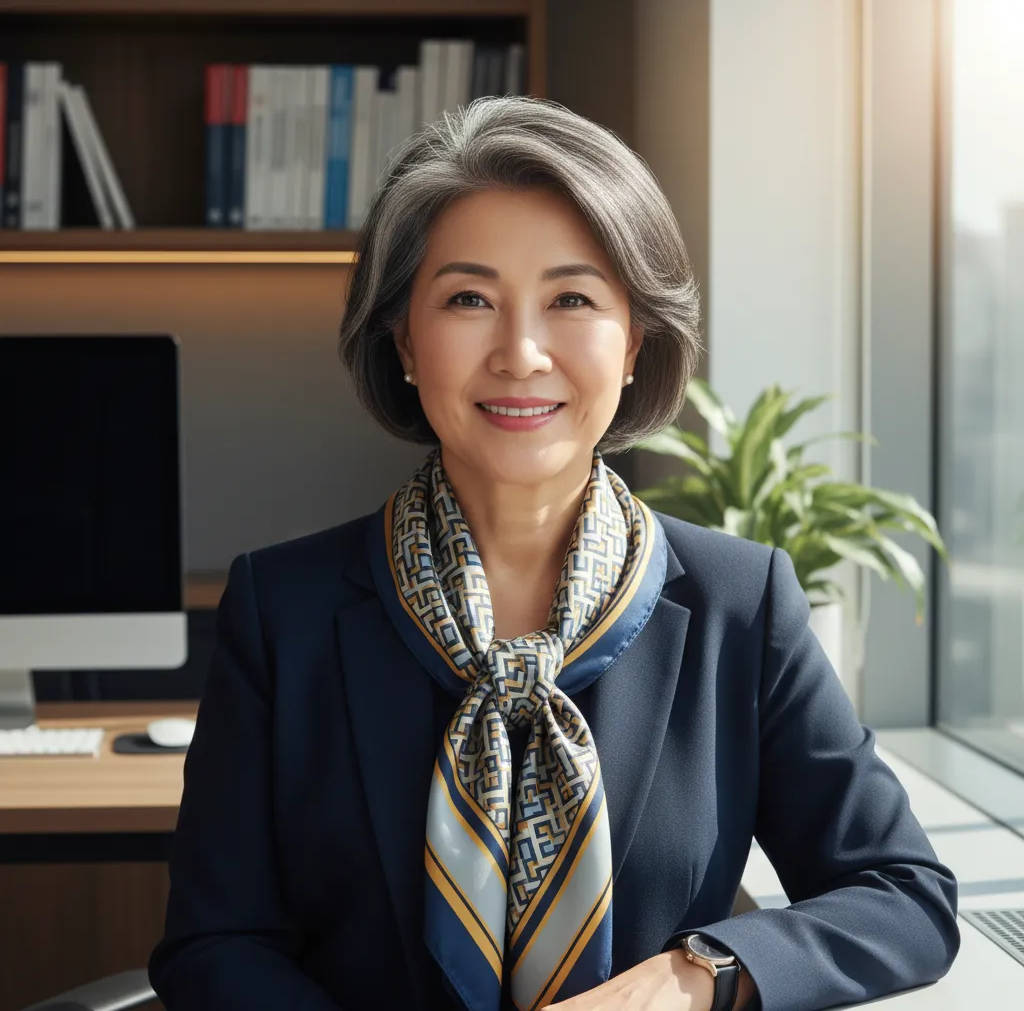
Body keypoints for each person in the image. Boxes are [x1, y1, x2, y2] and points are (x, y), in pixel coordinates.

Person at [148, 96, 960, 1011]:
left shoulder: (743, 602)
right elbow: (214, 945)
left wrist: (694, 978)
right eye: (468, 300)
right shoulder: (281, 609)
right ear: (405, 342)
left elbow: (905, 899)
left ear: (633, 343)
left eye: (572, 298)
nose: (522, 352)